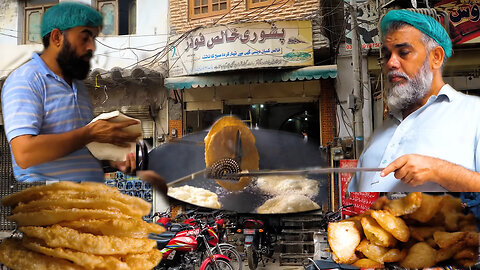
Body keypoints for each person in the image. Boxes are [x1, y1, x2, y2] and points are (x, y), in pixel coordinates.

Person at [1, 2, 166, 193]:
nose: (91, 47)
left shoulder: (77, 87)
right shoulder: (26, 80)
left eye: (93, 39)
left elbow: (77, 149)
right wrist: (90, 133)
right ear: (57, 38)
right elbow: (25, 153)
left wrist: (113, 161)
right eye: (84, 38)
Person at [349, 9, 480, 192]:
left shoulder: (474, 115)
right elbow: (354, 203)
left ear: (436, 57)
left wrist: (439, 170)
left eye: (403, 52)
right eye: (387, 55)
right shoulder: (382, 132)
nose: (391, 64)